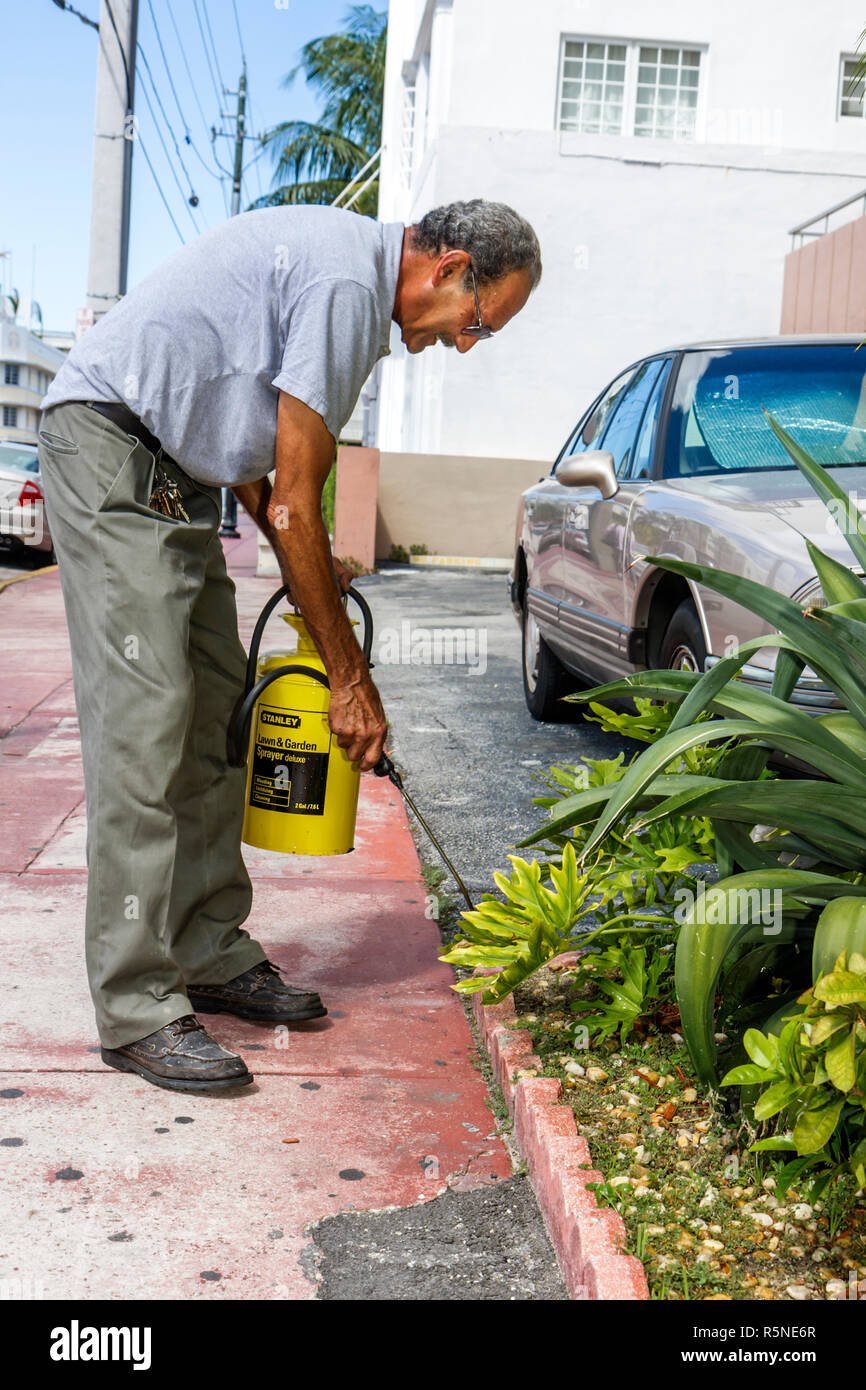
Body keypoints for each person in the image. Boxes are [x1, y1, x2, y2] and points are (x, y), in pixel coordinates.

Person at [37, 198, 542, 1094]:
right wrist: (349, 680)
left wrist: (302, 570)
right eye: (478, 322)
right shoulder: (350, 282)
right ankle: (135, 1003)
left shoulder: (346, 273)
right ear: (449, 267)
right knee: (146, 725)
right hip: (111, 448)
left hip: (182, 477)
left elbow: (265, 458)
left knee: (215, 714)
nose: (467, 343)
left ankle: (208, 949)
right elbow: (296, 502)